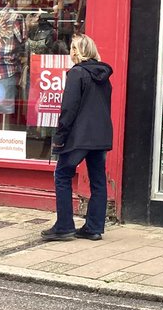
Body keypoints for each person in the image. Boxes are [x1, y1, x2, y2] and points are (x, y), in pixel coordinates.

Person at [42, 33, 113, 241]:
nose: (70, 52)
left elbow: (69, 109)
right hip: (101, 135)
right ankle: (94, 227)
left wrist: (59, 137)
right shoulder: (104, 75)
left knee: (62, 175)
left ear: (77, 51)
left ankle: (64, 226)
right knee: (98, 180)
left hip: (79, 136)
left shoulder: (77, 74)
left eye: (73, 48)